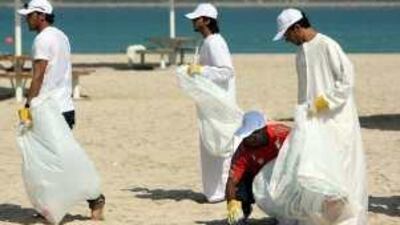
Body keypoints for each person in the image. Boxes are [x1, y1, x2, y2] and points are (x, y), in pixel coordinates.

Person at [271, 8, 367, 225]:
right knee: (314, 169)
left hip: (336, 122)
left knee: (339, 169)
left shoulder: (327, 45)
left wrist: (322, 102)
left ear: (297, 27)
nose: (286, 40)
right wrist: (305, 113)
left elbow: (347, 81)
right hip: (313, 122)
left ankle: (345, 218)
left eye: (287, 34)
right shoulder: (300, 53)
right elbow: (304, 91)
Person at [18, 0, 105, 220]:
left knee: (62, 159)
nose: (26, 18)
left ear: (41, 15)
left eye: (29, 15)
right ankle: (51, 206)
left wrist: (28, 105)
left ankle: (96, 199)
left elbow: (38, 75)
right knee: (55, 158)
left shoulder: (42, 40)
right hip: (64, 106)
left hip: (49, 109)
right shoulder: (61, 36)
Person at [185, 3, 237, 203]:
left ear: (206, 20)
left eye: (196, 18)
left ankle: (221, 191)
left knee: (218, 146)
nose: (193, 21)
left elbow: (226, 71)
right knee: (211, 146)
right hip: (212, 103)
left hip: (219, 104)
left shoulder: (214, 42)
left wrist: (200, 71)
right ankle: (215, 191)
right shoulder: (208, 42)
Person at [226, 119, 291, 225]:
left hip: (283, 173)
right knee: (239, 187)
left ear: (264, 130)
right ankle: (244, 211)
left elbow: (302, 141)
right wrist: (231, 204)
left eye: (254, 133)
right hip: (256, 178)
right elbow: (231, 182)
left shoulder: (281, 133)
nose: (250, 138)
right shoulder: (242, 153)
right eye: (247, 135)